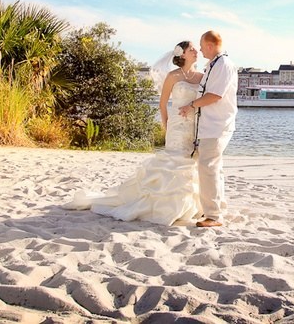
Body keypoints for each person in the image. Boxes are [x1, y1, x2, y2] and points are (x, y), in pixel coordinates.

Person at [63, 41, 204, 225]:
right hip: (177, 127)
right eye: (191, 48)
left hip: (195, 126)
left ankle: (191, 206)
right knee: (174, 163)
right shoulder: (173, 76)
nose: (196, 51)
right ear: (183, 54)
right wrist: (166, 125)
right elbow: (163, 104)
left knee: (192, 164)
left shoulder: (202, 77)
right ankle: (168, 206)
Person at [178, 30, 238, 228]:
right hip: (210, 125)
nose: (201, 50)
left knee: (208, 168)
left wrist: (191, 105)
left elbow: (214, 95)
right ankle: (217, 208)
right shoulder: (214, 65)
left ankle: (213, 216)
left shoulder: (223, 65)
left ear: (211, 46)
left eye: (202, 46)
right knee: (214, 168)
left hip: (217, 125)